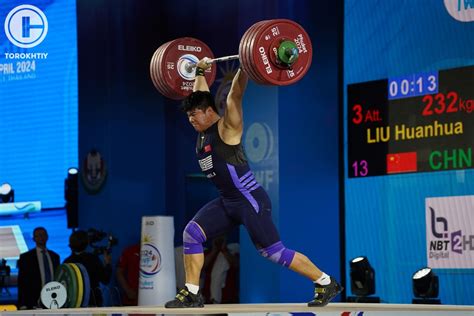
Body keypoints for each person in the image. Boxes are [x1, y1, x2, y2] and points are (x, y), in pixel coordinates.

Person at [164, 59, 342, 308]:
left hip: (249, 200)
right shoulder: (202, 124)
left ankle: (325, 281)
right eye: (189, 116)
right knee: (192, 234)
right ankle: (193, 292)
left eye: (194, 115)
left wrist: (246, 65)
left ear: (208, 111)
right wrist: (201, 70)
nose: (191, 120)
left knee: (274, 253)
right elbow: (200, 92)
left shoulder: (227, 128)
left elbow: (235, 94)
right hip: (228, 201)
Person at [64, 230, 112, 307]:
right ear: (86, 243)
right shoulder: (93, 259)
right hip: (93, 303)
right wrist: (107, 264)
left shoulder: (66, 262)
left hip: (74, 304)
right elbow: (105, 279)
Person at [17, 227, 60, 309]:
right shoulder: (26, 258)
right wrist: (22, 303)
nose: (41, 237)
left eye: (43, 235)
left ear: (47, 237)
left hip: (54, 299)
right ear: (34, 239)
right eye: (38, 235)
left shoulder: (55, 256)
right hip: (33, 301)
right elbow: (22, 282)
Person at [202, 235, 239, 304]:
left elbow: (236, 264)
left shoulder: (232, 251)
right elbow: (202, 266)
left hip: (228, 296)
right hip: (209, 297)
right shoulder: (207, 252)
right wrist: (214, 250)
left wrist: (224, 250)